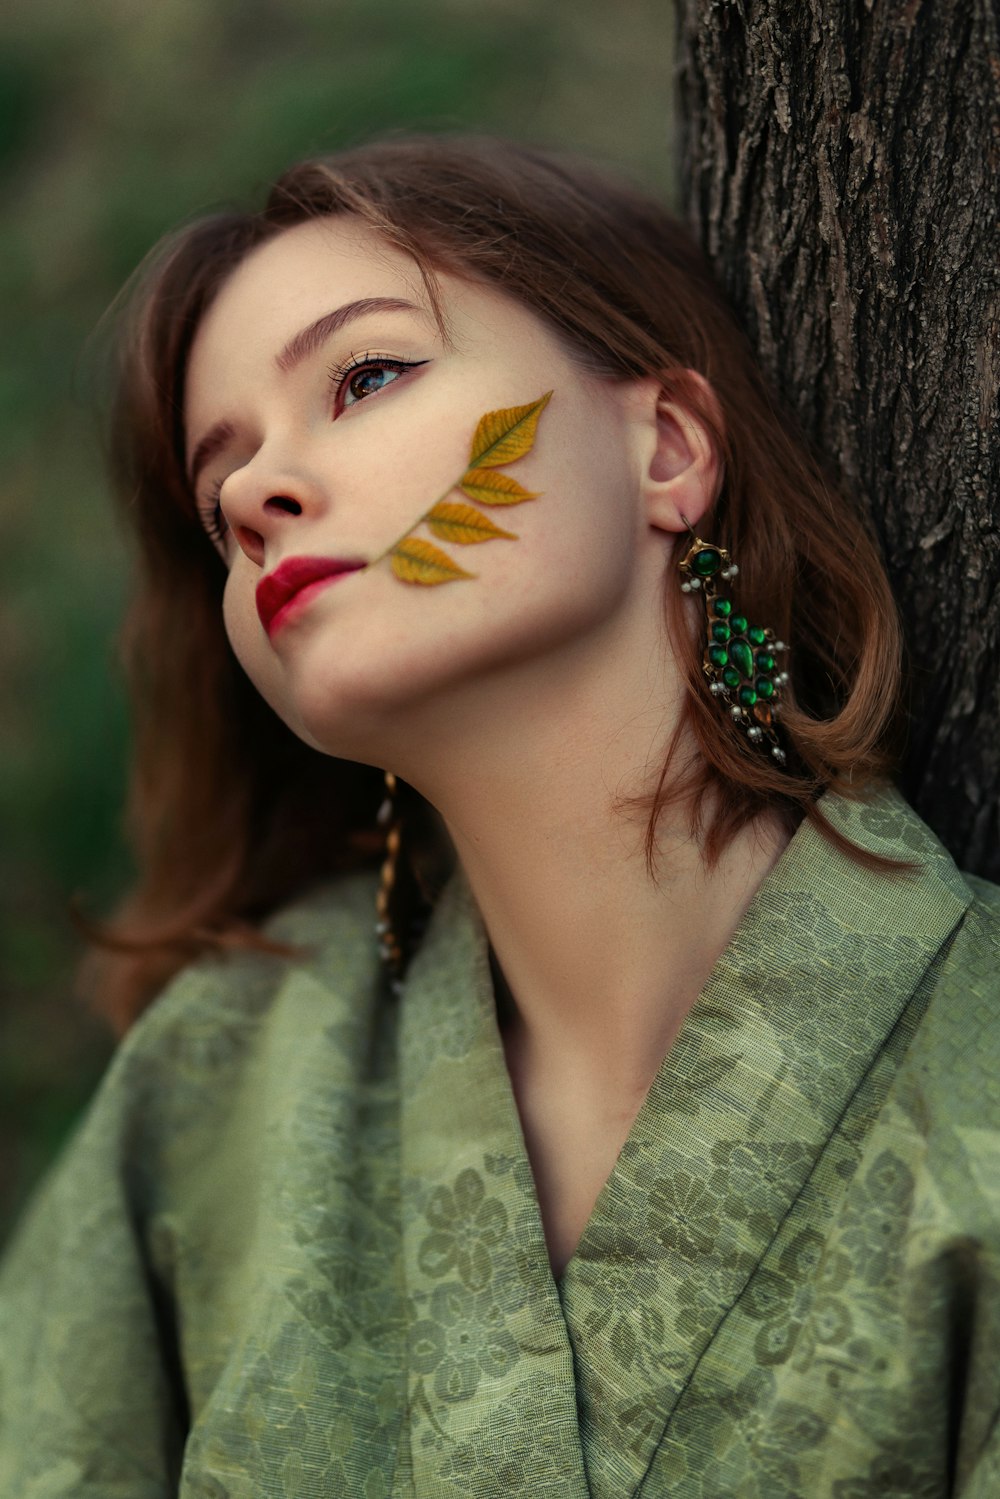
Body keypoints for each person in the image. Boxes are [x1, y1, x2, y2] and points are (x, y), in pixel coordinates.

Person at [0, 135, 996, 1499]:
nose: (248, 497)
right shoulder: (216, 1081)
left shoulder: (977, 1061)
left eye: (368, 375)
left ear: (667, 447)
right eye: (212, 493)